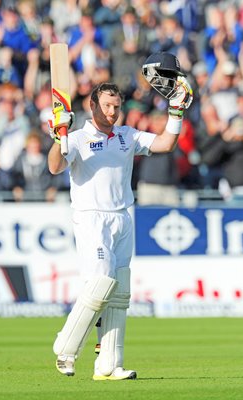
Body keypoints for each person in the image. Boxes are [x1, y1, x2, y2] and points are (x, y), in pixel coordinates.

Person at [47, 52, 193, 380]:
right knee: (101, 282)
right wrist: (59, 137)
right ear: (92, 106)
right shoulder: (79, 138)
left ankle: (108, 365)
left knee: (120, 291)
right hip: (91, 218)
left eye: (116, 107)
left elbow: (167, 143)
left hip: (123, 216)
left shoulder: (127, 136)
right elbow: (55, 166)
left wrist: (176, 110)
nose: (112, 112)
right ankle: (65, 348)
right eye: (106, 106)